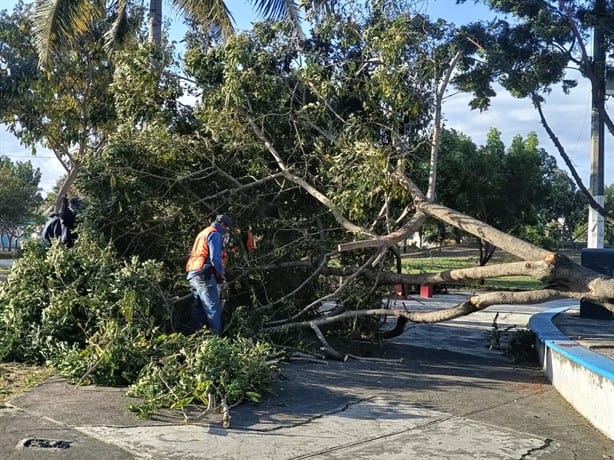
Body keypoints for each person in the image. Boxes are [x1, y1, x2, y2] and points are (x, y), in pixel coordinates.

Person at [185, 214, 233, 335]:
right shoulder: (215, 234)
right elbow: (215, 259)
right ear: (222, 225)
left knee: (199, 308)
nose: (226, 231)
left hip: (193, 273)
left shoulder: (204, 232)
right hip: (204, 274)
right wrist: (221, 274)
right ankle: (218, 340)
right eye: (227, 228)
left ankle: (192, 336)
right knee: (213, 308)